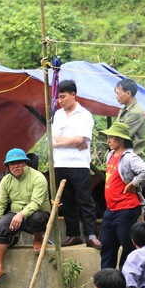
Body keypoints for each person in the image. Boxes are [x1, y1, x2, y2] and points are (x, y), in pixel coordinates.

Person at [0, 149, 51, 284]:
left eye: (19, 162)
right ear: (8, 166)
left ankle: (38, 238)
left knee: (37, 218)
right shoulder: (6, 180)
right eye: (12, 164)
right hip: (16, 213)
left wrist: (21, 214)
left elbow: (36, 202)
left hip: (37, 212)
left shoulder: (38, 177)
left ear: (25, 163)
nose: (16, 166)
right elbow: (0, 204)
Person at [51, 80, 101, 248]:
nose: (60, 101)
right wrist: (70, 141)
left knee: (85, 199)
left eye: (63, 97)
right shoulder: (57, 115)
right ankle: (73, 234)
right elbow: (52, 138)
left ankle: (91, 234)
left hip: (79, 164)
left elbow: (81, 139)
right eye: (58, 97)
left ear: (73, 95)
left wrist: (61, 142)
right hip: (60, 163)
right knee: (65, 200)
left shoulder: (84, 114)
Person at [100, 121, 145, 269]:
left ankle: (126, 279)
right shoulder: (110, 155)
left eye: (112, 137)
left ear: (121, 139)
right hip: (111, 209)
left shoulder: (129, 157)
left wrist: (134, 183)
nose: (108, 140)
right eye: (108, 137)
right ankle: (106, 282)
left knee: (128, 245)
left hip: (126, 208)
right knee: (107, 246)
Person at [115, 79, 145, 159]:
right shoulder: (123, 110)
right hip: (122, 156)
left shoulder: (137, 112)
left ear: (128, 93)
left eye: (118, 93)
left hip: (132, 158)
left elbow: (120, 135)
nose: (116, 97)